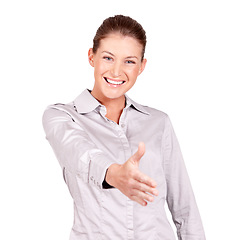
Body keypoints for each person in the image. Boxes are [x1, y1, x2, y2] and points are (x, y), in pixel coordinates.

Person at [42, 15, 206, 240]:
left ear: (141, 66)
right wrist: (113, 173)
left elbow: (185, 208)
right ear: (92, 57)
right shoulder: (62, 117)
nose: (117, 72)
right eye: (108, 58)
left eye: (129, 61)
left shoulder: (158, 122)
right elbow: (79, 152)